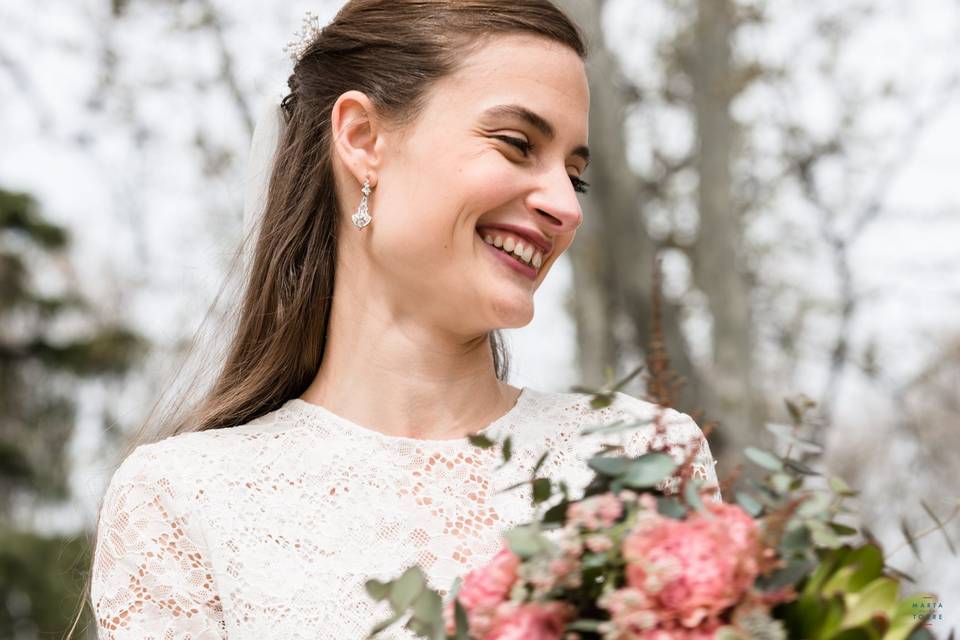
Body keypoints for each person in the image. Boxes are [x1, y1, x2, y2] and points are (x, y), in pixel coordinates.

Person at [86, 1, 721, 638]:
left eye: (574, 177)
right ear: (363, 139)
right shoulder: (183, 499)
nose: (564, 206)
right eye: (516, 145)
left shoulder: (643, 460)